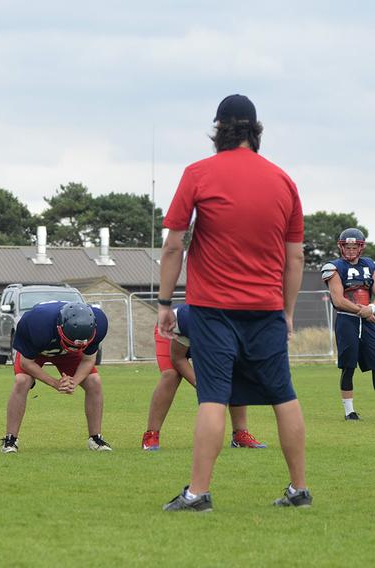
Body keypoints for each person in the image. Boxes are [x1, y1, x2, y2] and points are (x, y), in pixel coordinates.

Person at [159, 94, 310, 511]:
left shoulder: (198, 173)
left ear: (218, 130)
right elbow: (295, 256)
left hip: (212, 309)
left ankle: (198, 493)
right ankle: (299, 489)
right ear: (255, 131)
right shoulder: (283, 180)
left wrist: (164, 302)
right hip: (265, 309)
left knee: (212, 396)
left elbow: (174, 245)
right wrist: (288, 313)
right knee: (284, 394)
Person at [142, 304, 266, 450]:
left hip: (200, 337)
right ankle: (151, 434)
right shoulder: (187, 319)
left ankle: (240, 434)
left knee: (234, 373)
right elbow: (178, 358)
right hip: (172, 331)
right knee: (171, 375)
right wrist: (201, 385)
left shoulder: (235, 325)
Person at [0, 300, 112, 453]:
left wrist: (73, 382)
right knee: (22, 381)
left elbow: (88, 359)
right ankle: (10, 440)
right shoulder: (37, 324)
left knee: (94, 381)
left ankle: (95, 438)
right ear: (59, 328)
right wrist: (55, 383)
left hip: (68, 355)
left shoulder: (99, 323)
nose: (75, 346)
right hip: (36, 353)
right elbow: (26, 363)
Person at [321, 228, 375, 420]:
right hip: (347, 319)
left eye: (354, 247)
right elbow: (338, 300)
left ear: (361, 248)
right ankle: (349, 411)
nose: (351, 250)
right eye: (347, 246)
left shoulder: (370, 264)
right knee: (348, 365)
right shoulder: (333, 267)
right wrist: (364, 310)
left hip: (369, 320)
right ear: (341, 247)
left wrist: (372, 308)